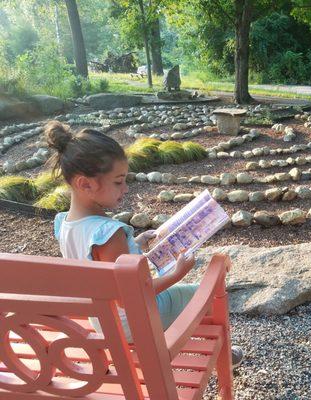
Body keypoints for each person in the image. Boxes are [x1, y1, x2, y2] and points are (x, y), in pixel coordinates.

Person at [46, 120, 243, 366]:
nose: (126, 188)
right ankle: (222, 356)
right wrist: (178, 273)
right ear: (85, 183)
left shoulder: (63, 223)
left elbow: (100, 265)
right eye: (118, 181)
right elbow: (129, 297)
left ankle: (187, 338)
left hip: (103, 319)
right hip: (134, 322)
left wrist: (135, 243)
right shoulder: (109, 233)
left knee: (187, 298)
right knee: (208, 293)